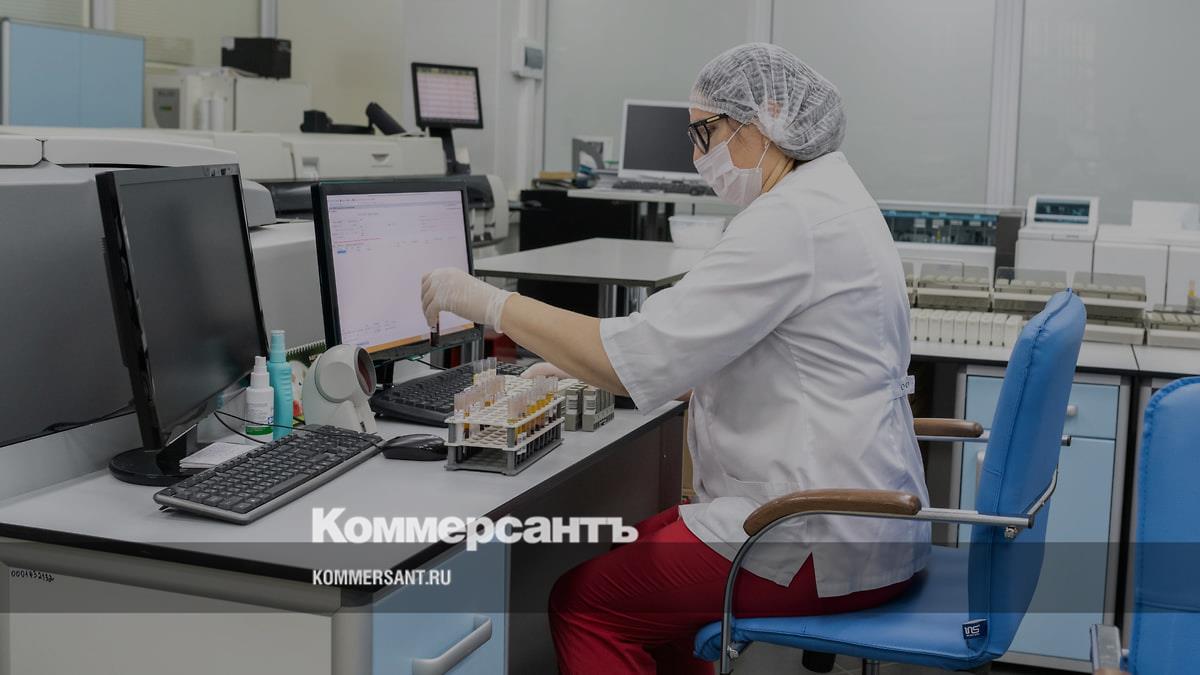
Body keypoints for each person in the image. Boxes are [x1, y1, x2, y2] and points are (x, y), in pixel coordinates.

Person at [421, 42, 929, 675]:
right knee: (637, 550)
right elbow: (769, 360)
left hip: (813, 535)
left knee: (584, 605)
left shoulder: (790, 222)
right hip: (849, 512)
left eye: (704, 132)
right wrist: (579, 366)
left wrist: (491, 303)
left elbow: (635, 354)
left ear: (765, 119)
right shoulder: (830, 197)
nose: (697, 155)